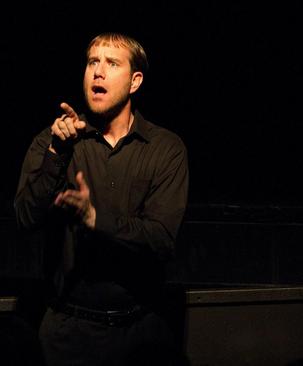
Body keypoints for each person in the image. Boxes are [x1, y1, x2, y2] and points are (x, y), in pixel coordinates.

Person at [14, 32, 189, 366]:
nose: (98, 71)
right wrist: (56, 154)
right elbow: (24, 217)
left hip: (140, 335)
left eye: (111, 63)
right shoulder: (55, 140)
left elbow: (162, 239)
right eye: (93, 61)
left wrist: (95, 219)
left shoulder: (166, 149)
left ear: (135, 81)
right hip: (68, 335)